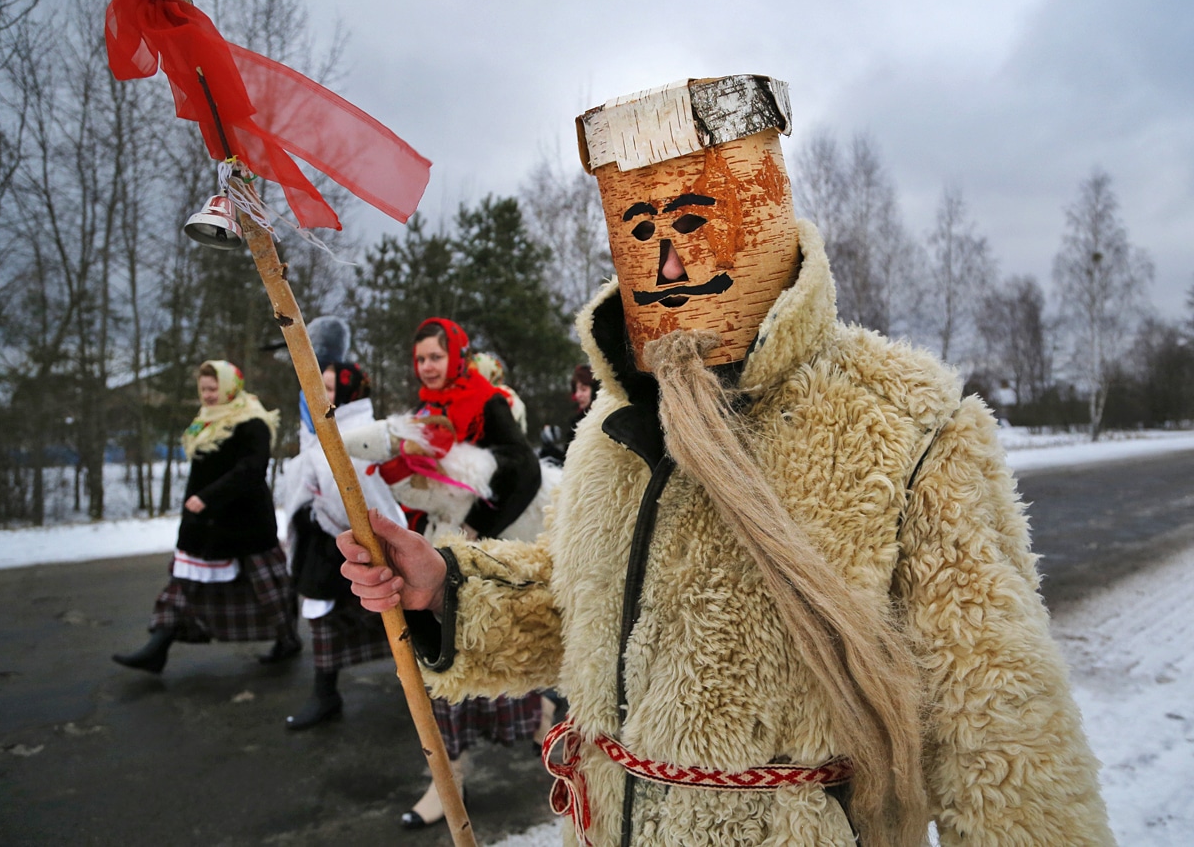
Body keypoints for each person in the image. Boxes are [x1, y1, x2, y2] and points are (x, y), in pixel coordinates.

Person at [338, 76, 1111, 846]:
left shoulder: (908, 425)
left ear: (765, 211)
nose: (668, 266)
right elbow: (585, 616)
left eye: (693, 221)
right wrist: (448, 595)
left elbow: (1001, 730)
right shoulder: (614, 427)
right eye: (640, 233)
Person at [398, 318, 544, 829]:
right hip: (431, 546)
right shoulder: (425, 411)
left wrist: (479, 530)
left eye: (435, 357)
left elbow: (524, 467)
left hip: (474, 550)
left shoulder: (486, 402)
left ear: (456, 355)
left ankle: (540, 722)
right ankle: (447, 780)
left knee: (491, 649)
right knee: (435, 663)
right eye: (420, 359)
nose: (428, 367)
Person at [113, 360, 300, 674]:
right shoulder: (205, 420)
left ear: (230, 387)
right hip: (203, 524)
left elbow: (251, 470)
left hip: (244, 522)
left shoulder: (251, 421)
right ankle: (157, 646)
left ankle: (287, 639)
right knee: (184, 583)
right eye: (204, 389)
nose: (209, 395)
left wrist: (208, 497)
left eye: (214, 389)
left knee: (269, 589)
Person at [282, 361, 409, 730]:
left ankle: (425, 687)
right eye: (317, 386)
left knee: (393, 617)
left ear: (352, 392)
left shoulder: (358, 436)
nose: (320, 394)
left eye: (331, 388)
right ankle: (325, 694)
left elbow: (371, 500)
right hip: (319, 546)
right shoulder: (317, 430)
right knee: (325, 618)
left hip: (348, 544)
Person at [539, 364, 597, 464]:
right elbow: (569, 461)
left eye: (583, 389)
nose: (578, 395)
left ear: (594, 391)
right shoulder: (577, 421)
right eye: (576, 390)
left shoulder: (599, 423)